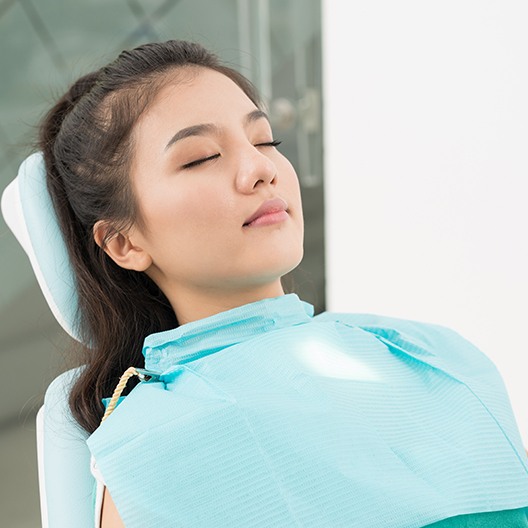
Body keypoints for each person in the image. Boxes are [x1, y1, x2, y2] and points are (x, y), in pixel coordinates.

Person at [20, 40, 528, 527]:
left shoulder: (432, 353)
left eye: (265, 140)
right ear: (124, 243)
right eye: (200, 157)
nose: (261, 168)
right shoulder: (157, 442)